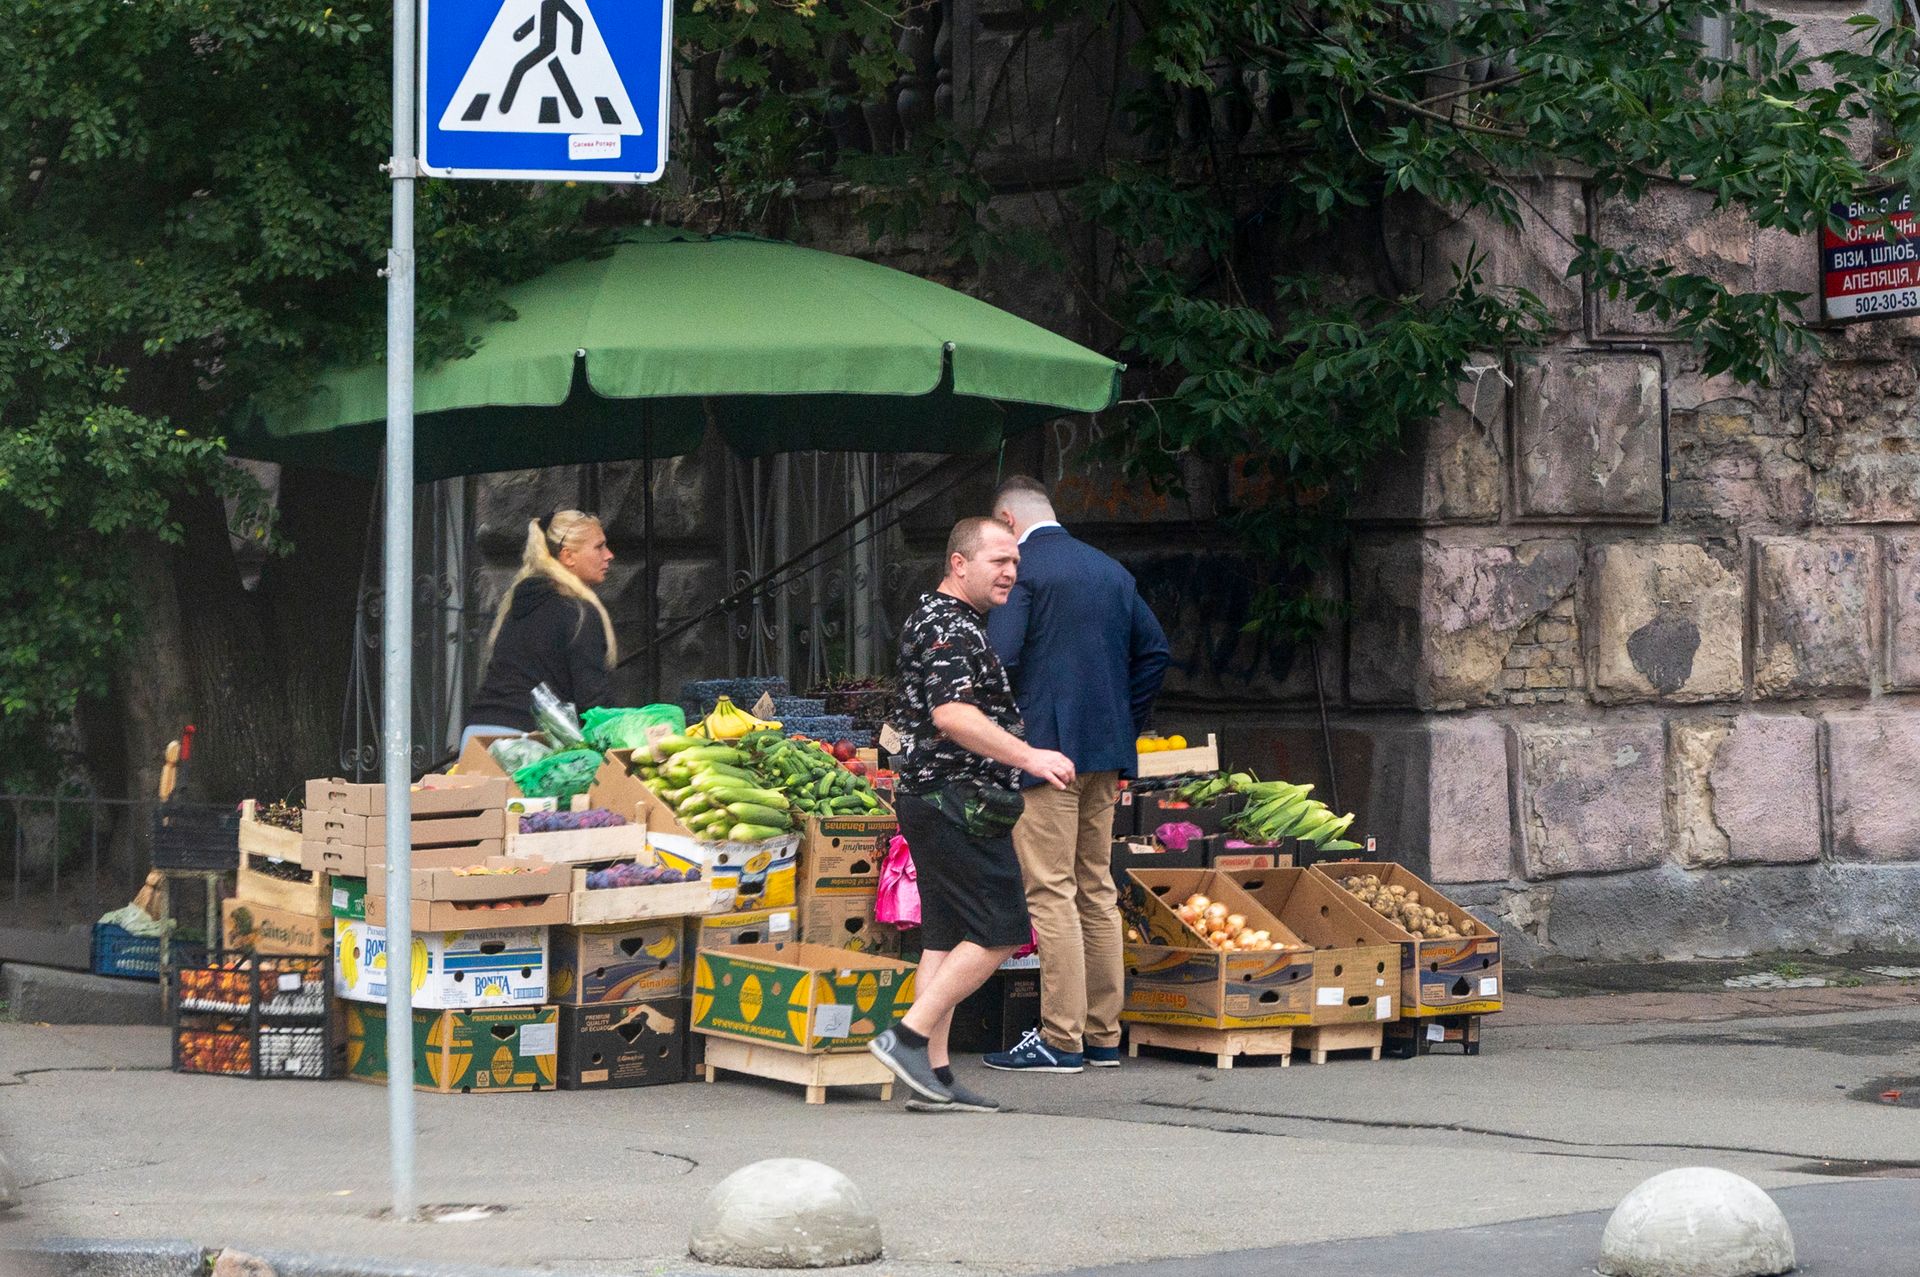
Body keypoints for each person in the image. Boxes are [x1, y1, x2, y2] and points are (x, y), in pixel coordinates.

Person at [868, 517, 1077, 1112]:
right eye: (997, 561)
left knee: (946, 936)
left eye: (1015, 562)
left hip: (938, 799)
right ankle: (908, 1039)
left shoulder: (946, 620)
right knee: (1002, 929)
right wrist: (1030, 755)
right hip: (956, 799)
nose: (1010, 572)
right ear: (959, 564)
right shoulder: (949, 628)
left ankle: (933, 1077)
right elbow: (952, 716)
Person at [980, 476, 1169, 1073]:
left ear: (1008, 520)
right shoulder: (1110, 570)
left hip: (1044, 754)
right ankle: (1104, 1035)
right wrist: (1125, 724)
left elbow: (1001, 659)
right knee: (1096, 889)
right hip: (1105, 753)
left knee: (1050, 892)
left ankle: (1060, 1039)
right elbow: (1154, 651)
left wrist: (1001, 733)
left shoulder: (1024, 570)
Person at [462, 510, 617, 749]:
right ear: (568, 556)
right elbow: (593, 704)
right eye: (599, 547)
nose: (609, 555)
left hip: (477, 735)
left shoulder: (516, 606)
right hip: (526, 743)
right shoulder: (579, 613)